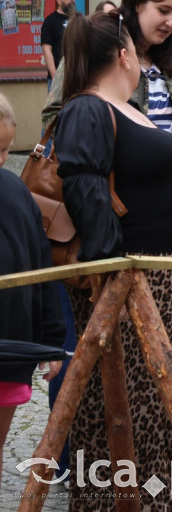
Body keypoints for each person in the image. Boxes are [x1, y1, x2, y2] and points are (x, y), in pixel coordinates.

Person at [54, 10, 172, 510]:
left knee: (159, 392)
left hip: (165, 277)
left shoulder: (126, 107)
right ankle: (119, 501)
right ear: (124, 54)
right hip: (132, 278)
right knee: (127, 399)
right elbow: (86, 191)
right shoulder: (89, 108)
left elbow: (137, 178)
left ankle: (161, 500)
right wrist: (115, 276)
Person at [0, 93, 66, 489]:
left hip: (9, 350)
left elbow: (41, 266)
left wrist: (52, 341)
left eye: (5, 149)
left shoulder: (13, 191)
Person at [43, 0, 172, 130]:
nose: (171, 22)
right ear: (138, 3)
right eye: (164, 10)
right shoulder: (97, 45)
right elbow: (53, 117)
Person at [41, 0, 78, 85]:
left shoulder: (79, 19)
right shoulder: (50, 21)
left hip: (78, 78)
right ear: (58, 0)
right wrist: (55, 77)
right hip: (59, 78)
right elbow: (47, 50)